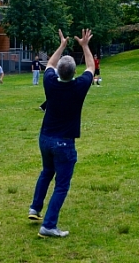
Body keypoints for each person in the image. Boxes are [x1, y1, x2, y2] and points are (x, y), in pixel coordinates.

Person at [29, 29, 95, 238]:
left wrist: (62, 45)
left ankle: (34, 209)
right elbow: (92, 67)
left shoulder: (49, 82)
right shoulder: (80, 86)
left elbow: (48, 64)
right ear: (74, 72)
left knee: (46, 172)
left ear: (58, 71)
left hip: (45, 138)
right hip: (64, 143)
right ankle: (48, 225)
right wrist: (84, 45)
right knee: (62, 185)